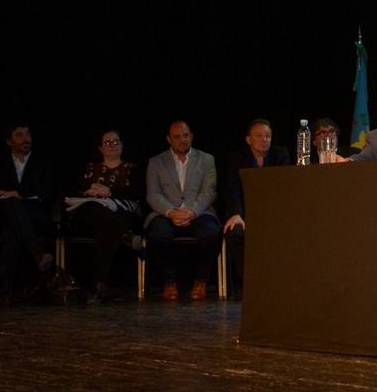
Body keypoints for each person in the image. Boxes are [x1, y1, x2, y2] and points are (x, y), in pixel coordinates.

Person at [64, 129, 143, 303]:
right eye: (107, 142)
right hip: (91, 212)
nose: (112, 145)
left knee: (109, 225)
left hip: (122, 211)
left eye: (116, 141)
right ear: (100, 148)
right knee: (102, 214)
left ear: (122, 145)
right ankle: (125, 235)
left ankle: (98, 284)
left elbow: (136, 193)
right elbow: (75, 190)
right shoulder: (90, 168)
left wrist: (110, 191)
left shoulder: (133, 169)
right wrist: (92, 190)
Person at [144, 120, 220, 300]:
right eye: (177, 137)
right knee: (157, 234)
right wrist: (172, 212)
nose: (182, 140)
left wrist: (192, 212)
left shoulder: (206, 159)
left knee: (212, 232)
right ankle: (169, 282)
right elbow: (153, 194)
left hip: (199, 212)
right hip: (166, 213)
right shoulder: (156, 162)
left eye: (186, 135)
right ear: (169, 139)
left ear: (191, 136)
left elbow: (209, 192)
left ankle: (201, 281)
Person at [0, 122, 56, 306]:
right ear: (9, 141)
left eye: (27, 134)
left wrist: (17, 194)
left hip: (34, 216)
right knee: (11, 208)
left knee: (11, 231)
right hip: (3, 215)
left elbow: (48, 193)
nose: (25, 139)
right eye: (19, 135)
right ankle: (37, 251)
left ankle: (4, 290)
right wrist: (3, 194)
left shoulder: (43, 163)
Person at [222, 118, 291, 295]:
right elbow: (232, 189)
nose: (264, 139)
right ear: (248, 139)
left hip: (273, 213)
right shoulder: (236, 158)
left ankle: (279, 282)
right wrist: (236, 214)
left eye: (268, 136)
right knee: (235, 232)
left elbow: (284, 188)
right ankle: (250, 282)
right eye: (259, 136)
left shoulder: (280, 155)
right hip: (244, 213)